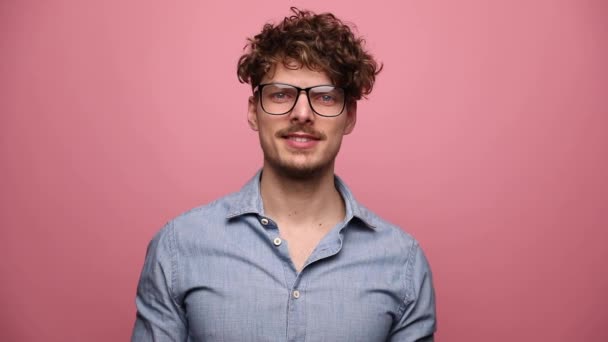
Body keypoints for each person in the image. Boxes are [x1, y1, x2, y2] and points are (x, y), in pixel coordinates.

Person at [131, 7, 436, 341]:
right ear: (253, 111)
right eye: (280, 94)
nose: (302, 114)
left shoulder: (401, 262)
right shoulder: (179, 247)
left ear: (349, 116)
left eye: (325, 96)